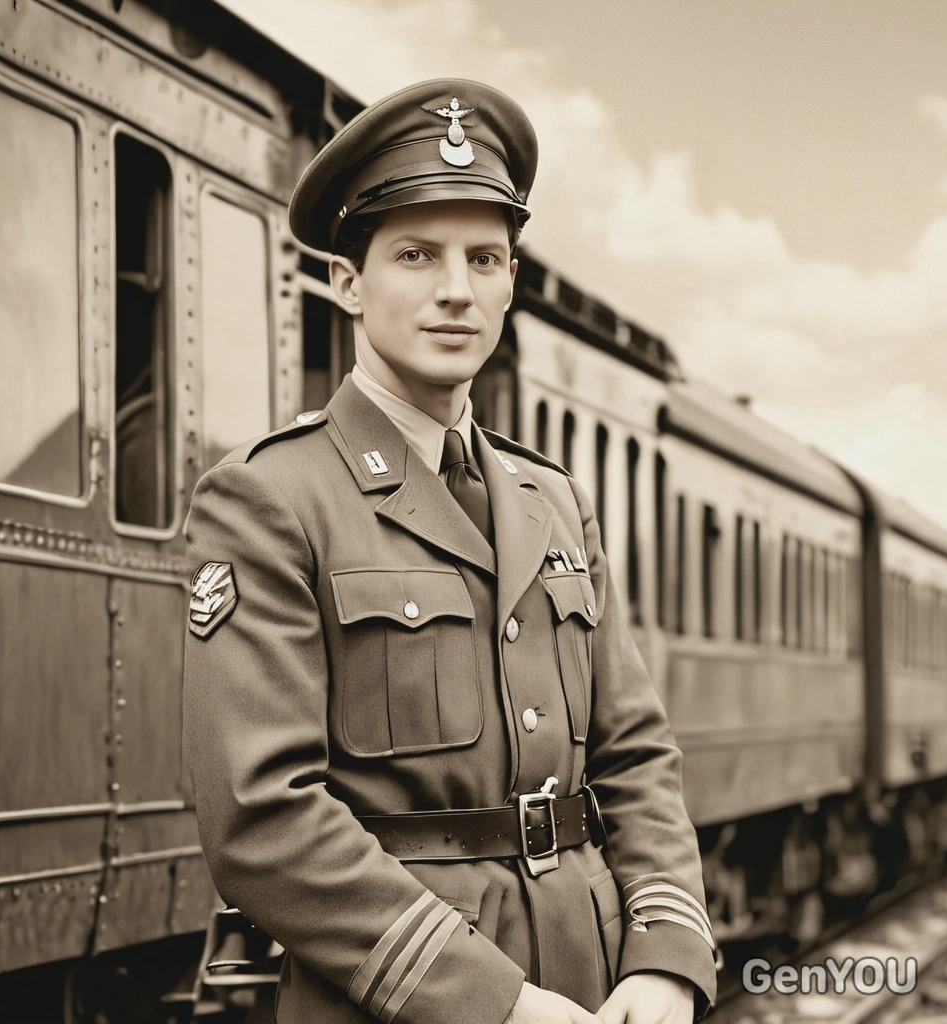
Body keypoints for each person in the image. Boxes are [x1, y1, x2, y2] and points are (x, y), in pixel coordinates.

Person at [183, 79, 718, 1024]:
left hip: (593, 987)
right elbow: (263, 817)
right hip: (402, 1000)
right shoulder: (271, 499)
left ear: (511, 282)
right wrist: (496, 1003)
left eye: (486, 257)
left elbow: (634, 755)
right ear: (347, 281)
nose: (456, 290)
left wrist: (666, 957)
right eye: (417, 255)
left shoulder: (552, 500)